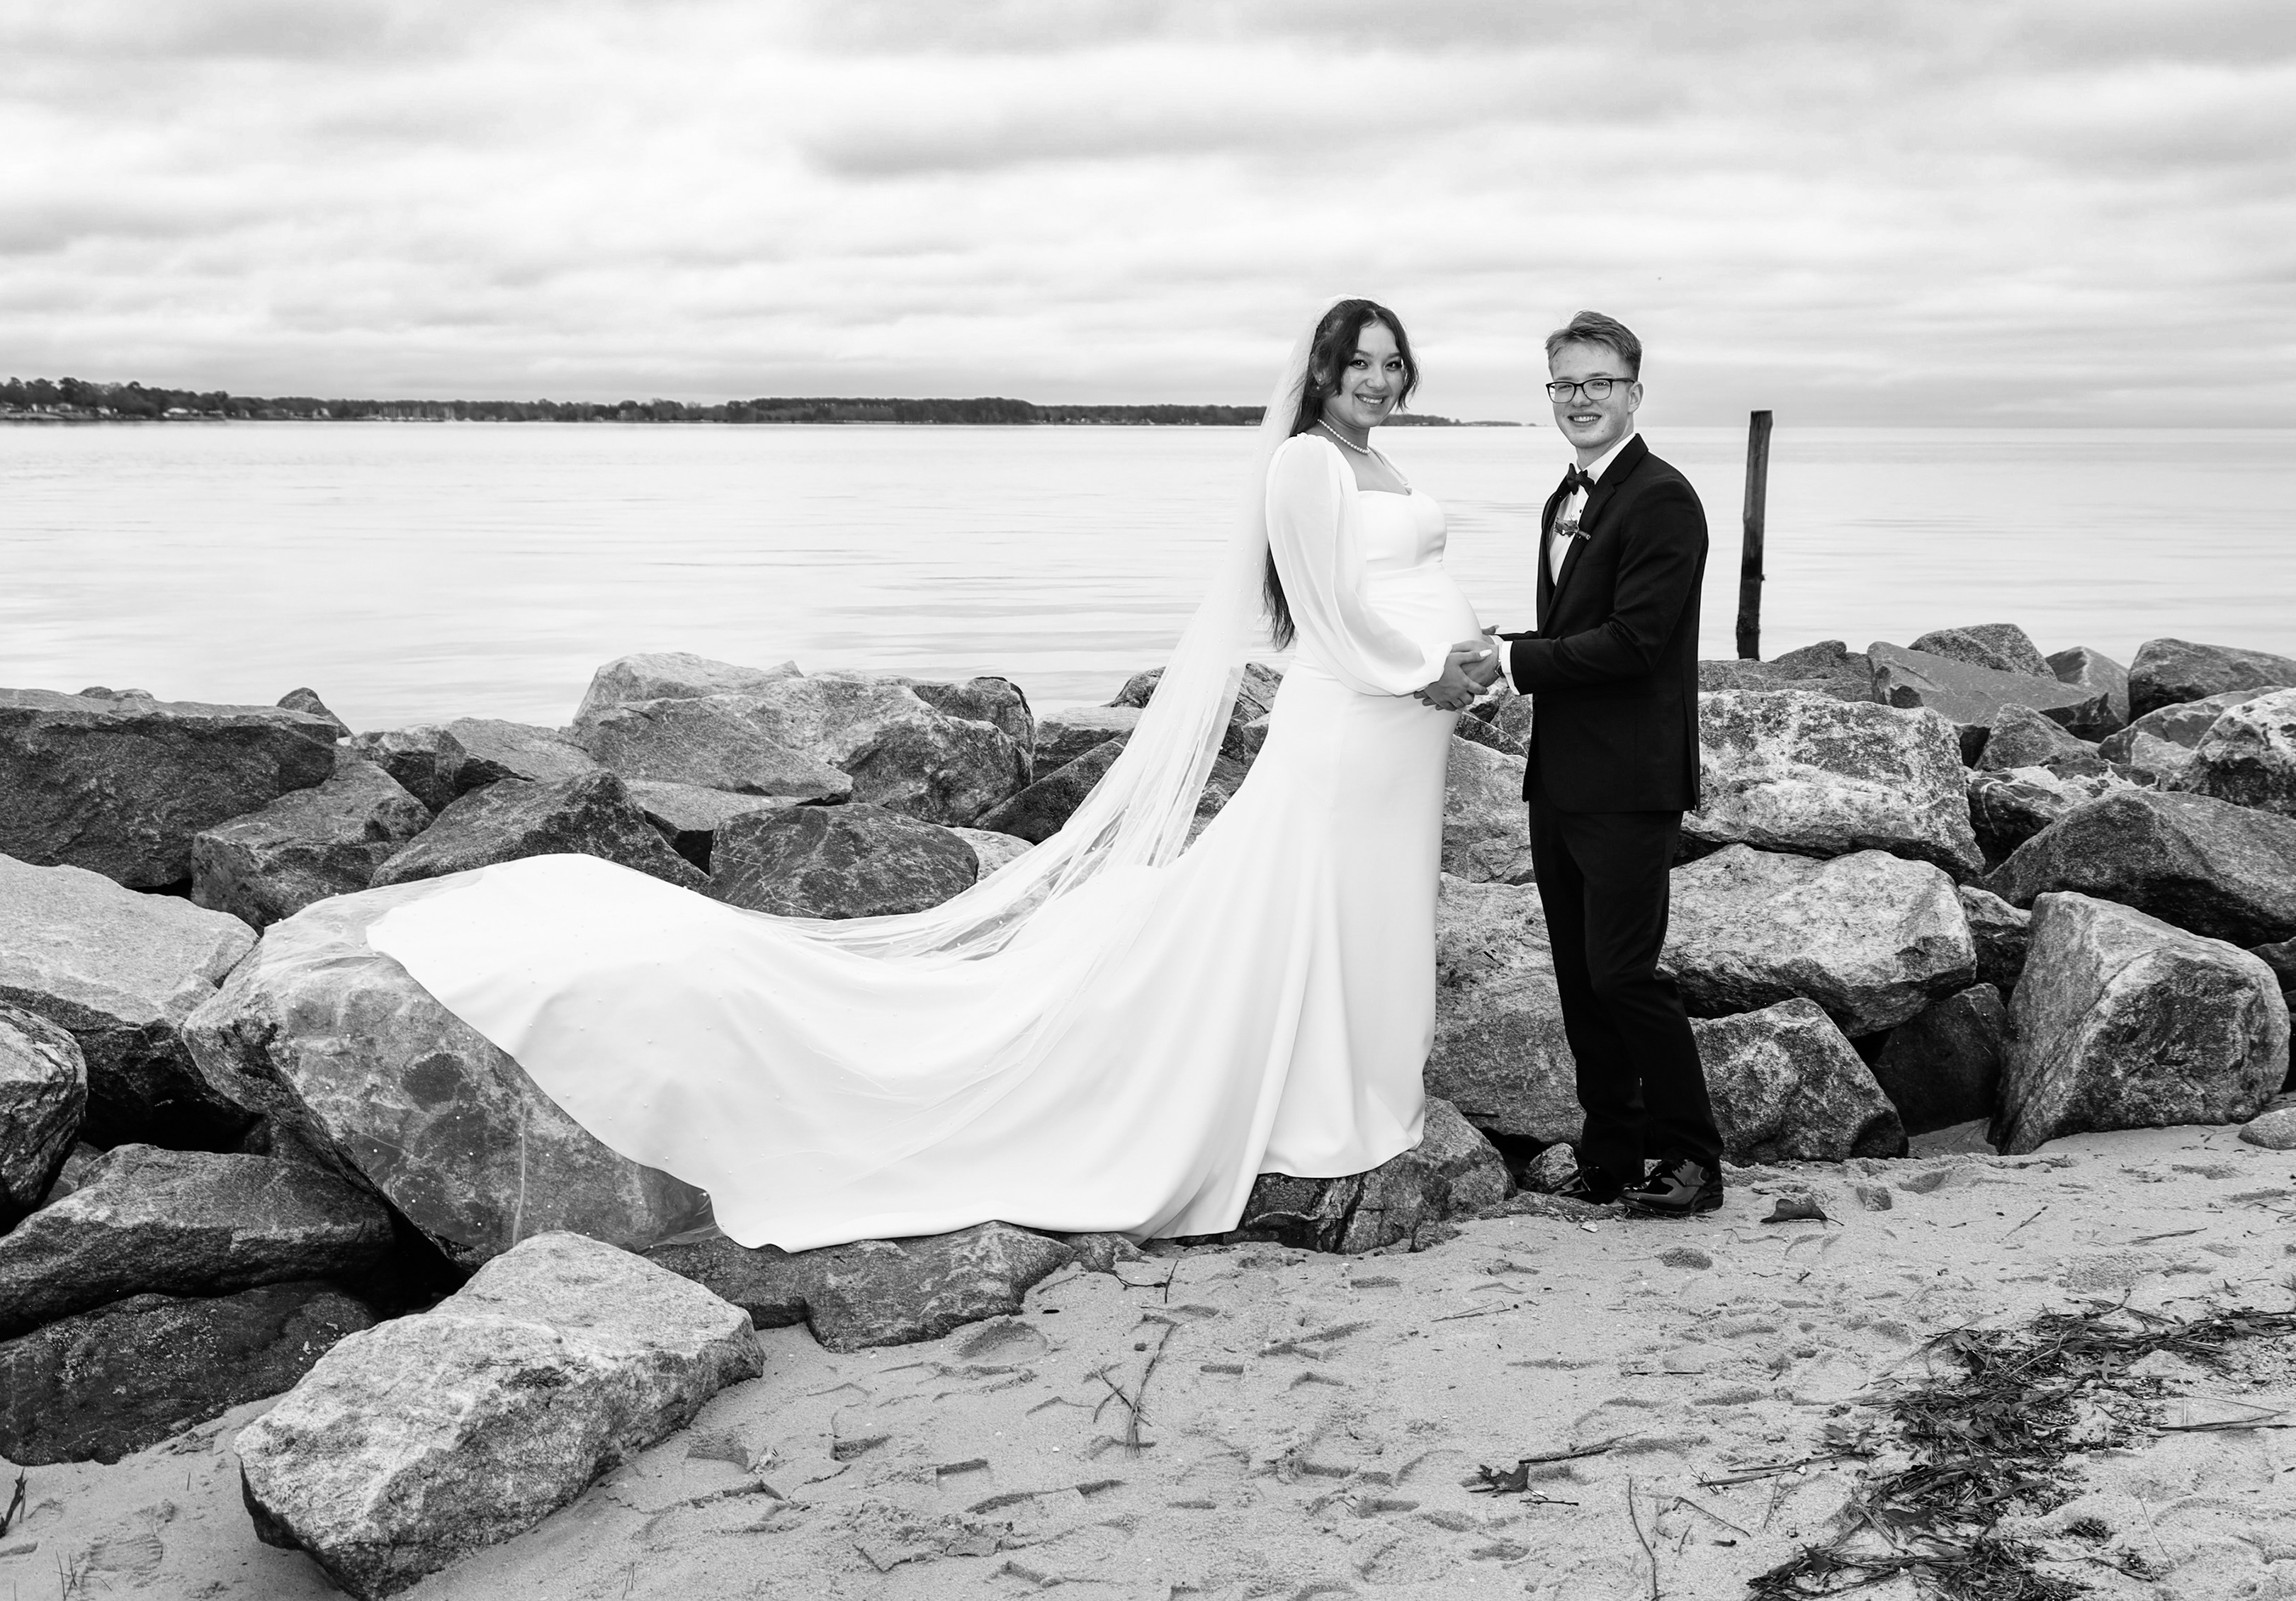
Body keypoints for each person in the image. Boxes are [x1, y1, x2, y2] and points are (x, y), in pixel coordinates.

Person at [364, 299, 1495, 1250]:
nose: (1379, 380)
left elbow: (1390, 584)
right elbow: (1329, 610)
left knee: (1370, 899)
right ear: (1322, 373)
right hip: (1357, 722)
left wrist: (1476, 652)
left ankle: (1359, 1081)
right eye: (1360, 364)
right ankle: (1316, 1094)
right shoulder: (1304, 460)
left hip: (1402, 727)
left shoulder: (1376, 461)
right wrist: (1426, 670)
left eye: (1393, 364)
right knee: (1308, 894)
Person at [1444, 311, 1722, 1216]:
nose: (1581, 398)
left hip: (1632, 779)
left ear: (1635, 392)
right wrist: (1505, 650)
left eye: (1599, 382)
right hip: (1561, 774)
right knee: (1578, 975)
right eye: (1565, 383)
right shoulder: (1563, 499)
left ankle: (1693, 1159)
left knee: (1625, 974)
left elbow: (1636, 643)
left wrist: (1514, 661)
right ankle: (1611, 1152)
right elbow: (1578, 630)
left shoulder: (1663, 498)